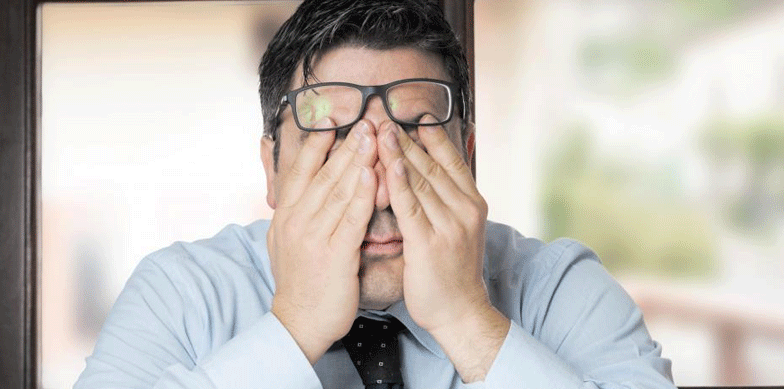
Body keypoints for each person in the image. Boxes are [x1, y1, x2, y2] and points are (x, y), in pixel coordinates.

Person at [74, 0, 675, 388]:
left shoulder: (556, 286)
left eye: (414, 135)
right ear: (273, 171)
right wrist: (294, 327)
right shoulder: (180, 293)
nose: (380, 185)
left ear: (466, 159)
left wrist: (469, 320)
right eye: (333, 140)